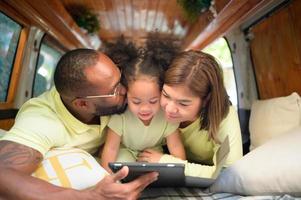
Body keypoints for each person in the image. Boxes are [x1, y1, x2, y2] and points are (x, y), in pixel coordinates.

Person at [0, 49, 158, 200]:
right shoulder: (41, 119)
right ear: (83, 104)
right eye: (115, 90)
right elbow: (3, 174)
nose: (125, 90)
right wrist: (90, 197)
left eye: (120, 76)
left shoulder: (114, 96)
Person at [138, 50, 243, 178]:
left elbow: (227, 173)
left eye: (183, 103)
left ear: (206, 101)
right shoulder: (152, 103)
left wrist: (165, 162)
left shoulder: (224, 117)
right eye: (166, 95)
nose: (170, 109)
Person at [101, 51, 186, 173]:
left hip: (154, 154)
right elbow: (111, 148)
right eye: (136, 102)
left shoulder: (166, 115)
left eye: (153, 101)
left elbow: (176, 146)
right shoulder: (120, 116)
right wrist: (106, 176)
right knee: (120, 168)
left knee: (163, 168)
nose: (145, 109)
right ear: (126, 95)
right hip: (127, 151)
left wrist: (180, 170)